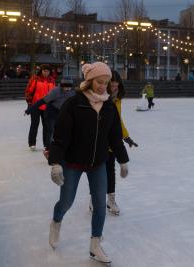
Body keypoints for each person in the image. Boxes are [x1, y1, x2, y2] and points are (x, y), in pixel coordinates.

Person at [47, 62, 129, 264]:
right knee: (66, 202)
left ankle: (95, 246)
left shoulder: (109, 106)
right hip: (72, 162)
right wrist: (56, 162)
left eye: (106, 83)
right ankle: (56, 221)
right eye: (99, 82)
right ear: (90, 81)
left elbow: (115, 136)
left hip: (98, 163)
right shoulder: (74, 104)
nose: (103, 86)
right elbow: (60, 137)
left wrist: (123, 160)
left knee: (100, 205)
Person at [89, 70, 138, 215]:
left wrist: (126, 137)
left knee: (110, 172)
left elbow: (118, 121)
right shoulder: (97, 98)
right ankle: (93, 198)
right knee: (97, 172)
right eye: (112, 86)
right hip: (97, 142)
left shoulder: (117, 100)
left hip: (111, 144)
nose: (114, 89)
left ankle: (111, 200)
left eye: (117, 86)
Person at [25, 77, 75, 158]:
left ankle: (63, 148)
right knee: (51, 131)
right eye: (66, 87)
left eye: (69, 87)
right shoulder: (55, 92)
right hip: (51, 112)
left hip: (62, 112)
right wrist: (30, 109)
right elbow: (42, 101)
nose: (67, 89)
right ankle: (48, 149)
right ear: (62, 86)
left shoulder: (73, 92)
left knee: (64, 130)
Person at [24, 64, 56, 150]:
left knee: (46, 126)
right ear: (41, 71)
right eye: (44, 71)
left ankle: (46, 144)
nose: (46, 72)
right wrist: (30, 103)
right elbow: (28, 91)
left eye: (48, 71)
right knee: (34, 124)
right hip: (35, 105)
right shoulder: (35, 78)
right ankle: (32, 143)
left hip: (47, 107)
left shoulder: (52, 80)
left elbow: (53, 94)